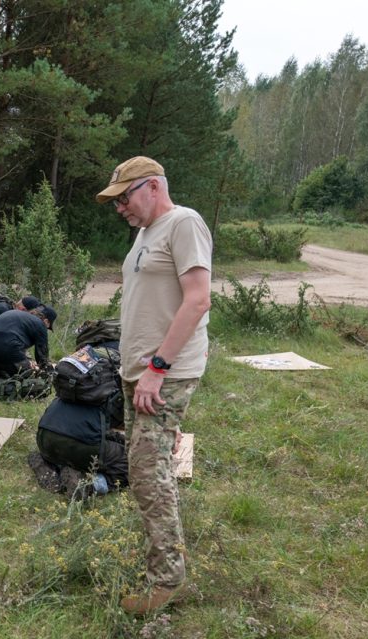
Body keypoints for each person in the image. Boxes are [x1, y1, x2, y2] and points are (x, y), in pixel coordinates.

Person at [95, 155, 212, 615]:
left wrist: (158, 367)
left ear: (152, 187)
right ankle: (162, 550)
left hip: (165, 373)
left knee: (145, 471)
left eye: (124, 197)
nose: (120, 208)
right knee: (151, 464)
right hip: (139, 372)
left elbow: (199, 299)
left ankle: (167, 579)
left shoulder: (184, 224)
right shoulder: (146, 234)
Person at [0, 305, 56, 384]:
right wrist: (50, 370)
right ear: (46, 321)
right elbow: (42, 359)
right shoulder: (40, 325)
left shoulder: (17, 314)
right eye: (48, 327)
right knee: (27, 377)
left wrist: (26, 360)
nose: (46, 330)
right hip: (6, 347)